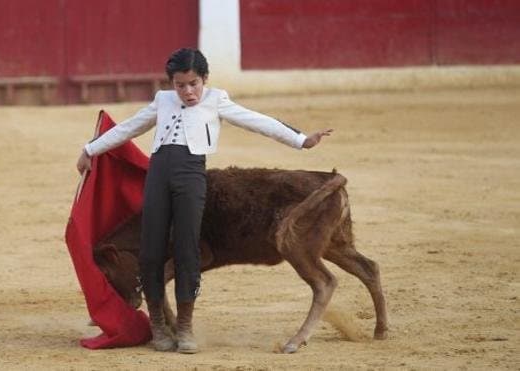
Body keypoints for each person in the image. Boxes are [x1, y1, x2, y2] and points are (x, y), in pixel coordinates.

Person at [76, 48, 332, 354]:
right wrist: (90, 149)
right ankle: (158, 324)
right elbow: (128, 127)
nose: (187, 91)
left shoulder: (216, 99)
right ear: (171, 83)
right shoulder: (162, 101)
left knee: (187, 251)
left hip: (191, 178)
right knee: (151, 251)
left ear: (204, 80)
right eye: (180, 85)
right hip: (158, 178)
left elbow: (256, 120)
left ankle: (184, 327)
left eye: (193, 84)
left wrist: (301, 139)